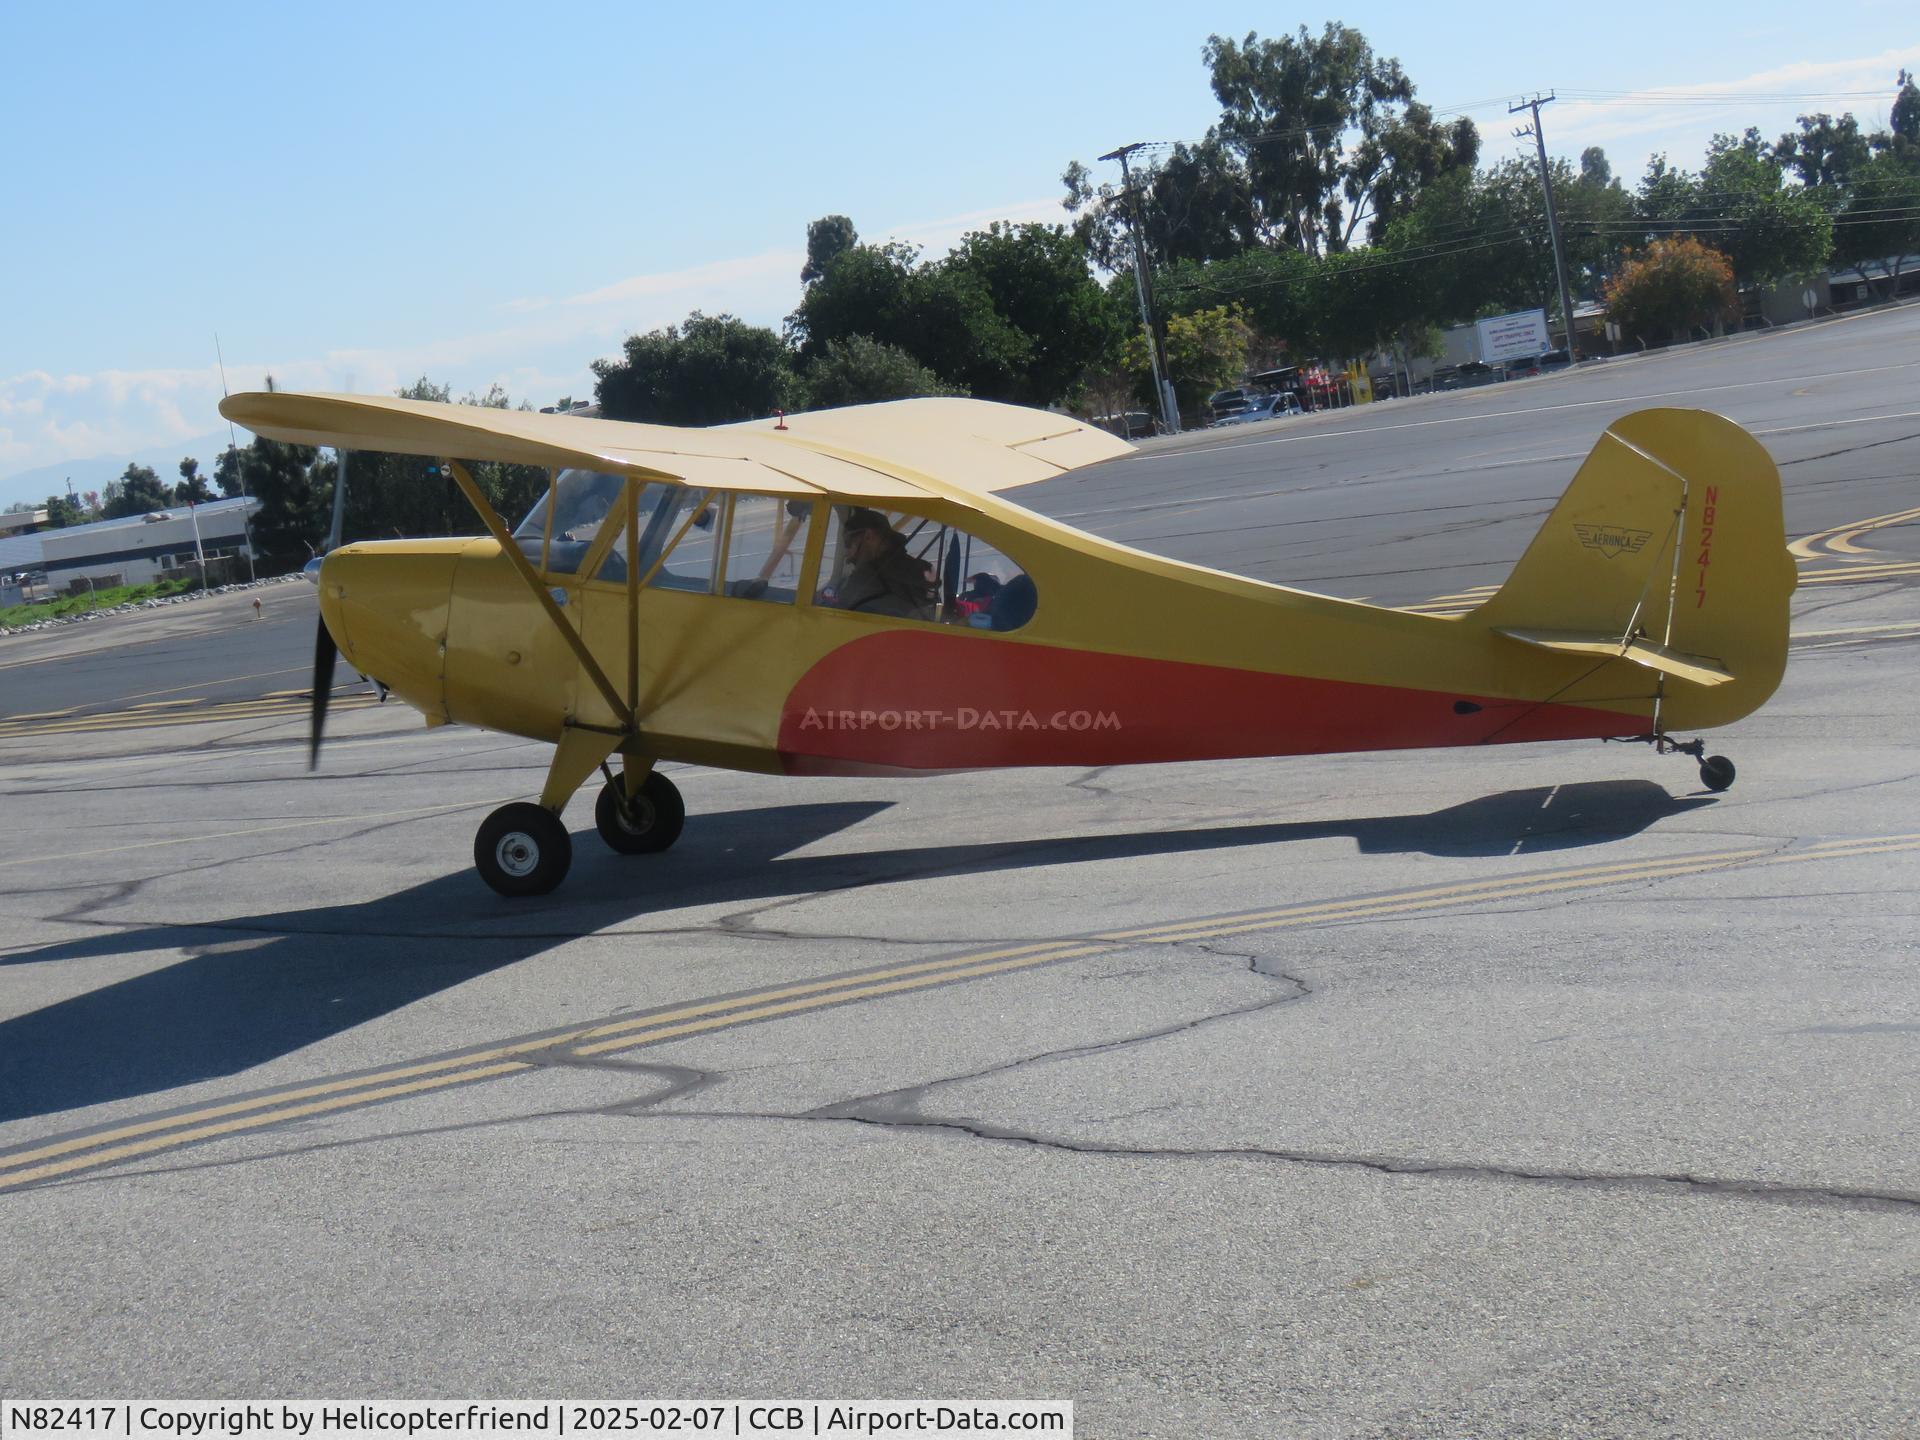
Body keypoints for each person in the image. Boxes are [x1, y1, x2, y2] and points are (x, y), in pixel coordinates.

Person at [825, 508, 934, 620]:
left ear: (868, 536)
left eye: (848, 543)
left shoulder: (865, 578)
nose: (847, 554)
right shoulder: (918, 573)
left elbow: (836, 618)